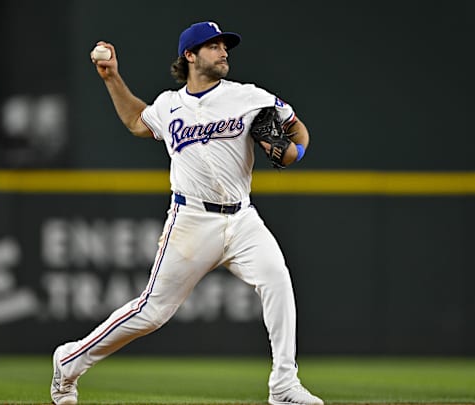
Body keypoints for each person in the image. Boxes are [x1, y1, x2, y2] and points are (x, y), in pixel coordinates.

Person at [50, 21, 323, 405]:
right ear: (190, 56)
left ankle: (283, 385)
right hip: (192, 221)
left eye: (225, 46)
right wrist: (112, 77)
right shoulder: (168, 105)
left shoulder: (250, 97)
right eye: (213, 46)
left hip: (242, 219)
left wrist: (296, 151)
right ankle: (70, 360)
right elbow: (135, 120)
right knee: (152, 312)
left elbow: (298, 133)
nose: (223, 51)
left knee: (277, 279)